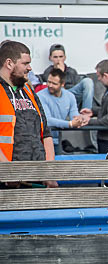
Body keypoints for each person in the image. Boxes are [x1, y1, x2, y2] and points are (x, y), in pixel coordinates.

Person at [0, 40, 58, 187]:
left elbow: (46, 133)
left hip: (36, 176)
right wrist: (7, 171)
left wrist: (49, 172)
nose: (30, 68)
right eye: (25, 63)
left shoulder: (28, 90)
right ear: (9, 63)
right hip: (7, 180)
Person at [37, 68, 86, 154]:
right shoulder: (40, 96)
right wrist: (70, 124)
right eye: (48, 82)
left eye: (54, 83)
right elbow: (47, 120)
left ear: (62, 84)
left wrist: (79, 119)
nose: (50, 85)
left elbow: (74, 115)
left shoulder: (70, 96)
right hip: (41, 140)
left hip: (57, 140)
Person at [40, 44, 94, 111]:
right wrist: (60, 72)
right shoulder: (48, 72)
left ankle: (86, 111)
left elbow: (77, 88)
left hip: (72, 95)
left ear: (64, 57)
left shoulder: (71, 71)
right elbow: (53, 90)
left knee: (88, 81)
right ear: (50, 58)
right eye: (55, 57)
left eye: (61, 57)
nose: (58, 60)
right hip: (57, 97)